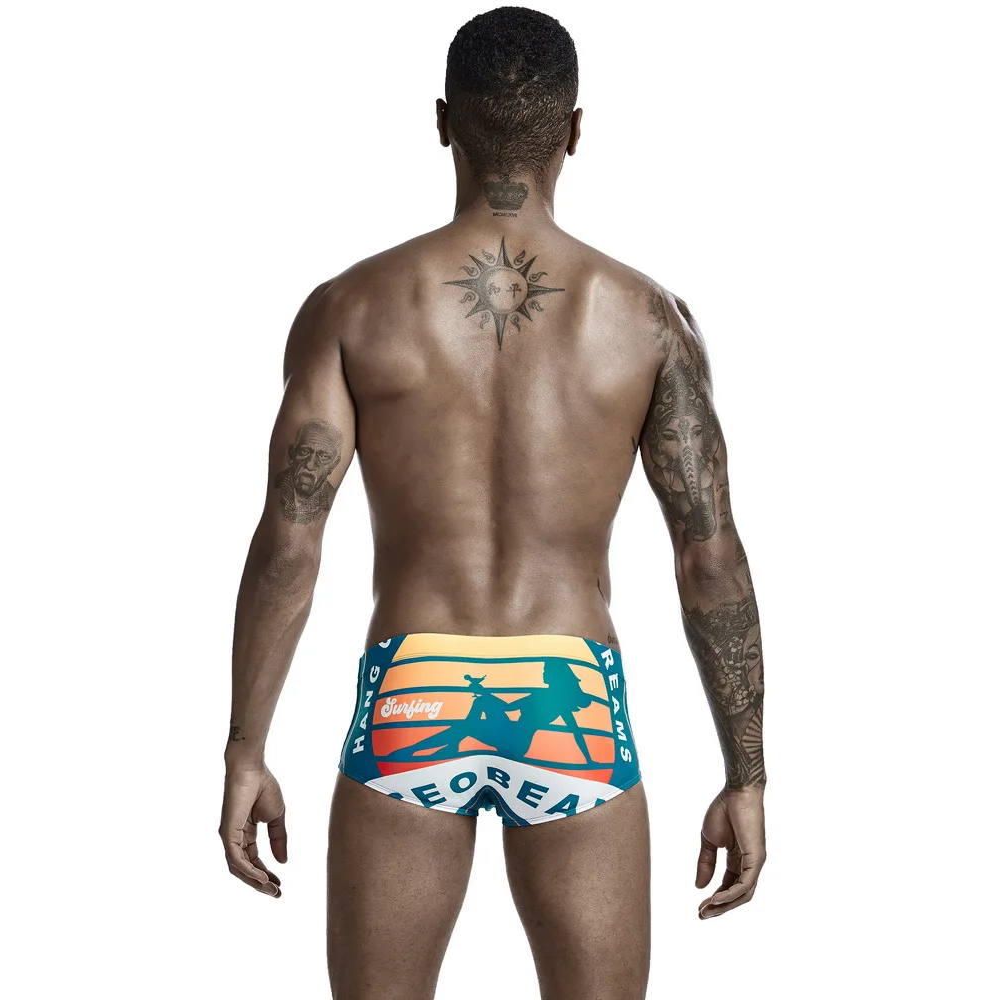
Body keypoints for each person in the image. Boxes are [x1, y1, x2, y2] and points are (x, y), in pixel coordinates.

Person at [219, 6, 766, 998]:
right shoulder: (645, 319)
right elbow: (709, 555)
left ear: (441, 122)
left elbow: (289, 541)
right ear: (575, 130)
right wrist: (747, 774)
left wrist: (245, 748)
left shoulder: (353, 306)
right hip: (569, 693)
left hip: (413, 686)